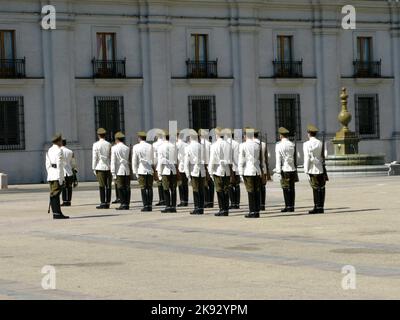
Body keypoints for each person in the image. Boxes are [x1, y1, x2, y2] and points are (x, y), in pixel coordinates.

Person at [238, 128, 265, 218]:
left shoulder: (243, 145)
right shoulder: (257, 145)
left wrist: (241, 173)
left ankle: (252, 211)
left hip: (248, 171)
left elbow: (241, 160)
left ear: (246, 136)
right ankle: (257, 211)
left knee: (250, 192)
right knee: (257, 191)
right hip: (257, 170)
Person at [303, 125, 327, 214]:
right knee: (322, 188)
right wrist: (319, 160)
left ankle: (316, 206)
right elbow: (325, 155)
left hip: (312, 169)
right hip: (320, 168)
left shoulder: (306, 144)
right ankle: (321, 207)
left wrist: (306, 170)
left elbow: (307, 158)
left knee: (315, 188)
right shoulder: (321, 143)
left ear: (309, 133)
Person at [208, 127, 231, 216]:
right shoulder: (228, 144)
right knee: (226, 190)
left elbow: (212, 160)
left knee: (219, 190)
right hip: (226, 170)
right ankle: (226, 209)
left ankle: (222, 209)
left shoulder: (214, 145)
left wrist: (210, 172)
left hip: (218, 170)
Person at [46, 133, 68, 219]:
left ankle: (56, 212)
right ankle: (57, 213)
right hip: (56, 174)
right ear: (58, 141)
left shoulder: (49, 150)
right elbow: (59, 165)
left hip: (51, 173)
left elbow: (47, 164)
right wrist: (61, 178)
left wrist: (49, 172)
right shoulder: (59, 150)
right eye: (61, 140)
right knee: (55, 194)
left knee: (53, 194)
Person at [275, 127, 297, 212]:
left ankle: (288, 206)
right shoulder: (291, 144)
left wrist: (278, 170)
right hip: (292, 168)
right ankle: (292, 206)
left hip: (284, 168)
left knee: (285, 187)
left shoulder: (279, 145)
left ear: (280, 135)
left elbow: (278, 159)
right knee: (292, 188)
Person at [184, 130, 206, 215]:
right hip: (201, 170)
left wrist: (187, 174)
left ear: (190, 137)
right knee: (201, 190)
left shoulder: (188, 147)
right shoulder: (201, 146)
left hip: (194, 170)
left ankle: (197, 208)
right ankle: (201, 208)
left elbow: (186, 162)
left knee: (195, 190)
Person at [157, 131, 178, 213]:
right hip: (173, 170)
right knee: (173, 189)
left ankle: (167, 206)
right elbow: (176, 159)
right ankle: (173, 206)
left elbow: (160, 160)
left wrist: (159, 173)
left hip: (165, 170)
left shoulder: (161, 147)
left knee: (166, 188)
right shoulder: (174, 146)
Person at [132, 131, 154, 212]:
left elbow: (134, 160)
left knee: (143, 188)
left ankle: (145, 205)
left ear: (139, 138)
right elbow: (153, 159)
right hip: (149, 169)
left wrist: (135, 171)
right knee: (150, 188)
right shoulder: (150, 146)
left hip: (141, 169)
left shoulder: (136, 147)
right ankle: (150, 205)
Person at [92, 128, 112, 209]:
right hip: (108, 166)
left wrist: (93, 167)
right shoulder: (109, 144)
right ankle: (107, 202)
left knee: (101, 185)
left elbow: (94, 157)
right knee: (108, 185)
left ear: (98, 135)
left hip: (100, 166)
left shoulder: (96, 144)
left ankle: (103, 202)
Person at [111, 132, 131, 210]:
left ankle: (123, 204)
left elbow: (113, 161)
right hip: (126, 170)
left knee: (120, 187)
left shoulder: (114, 148)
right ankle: (127, 203)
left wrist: (113, 172)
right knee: (127, 187)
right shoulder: (127, 148)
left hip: (119, 170)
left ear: (116, 139)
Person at [254, 129, 270, 211]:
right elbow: (267, 158)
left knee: (256, 187)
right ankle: (262, 204)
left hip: (256, 168)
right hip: (263, 168)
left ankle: (257, 204)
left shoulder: (252, 144)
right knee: (262, 187)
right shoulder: (263, 144)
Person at [225, 128, 241, 209]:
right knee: (237, 185)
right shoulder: (237, 143)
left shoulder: (226, 144)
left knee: (230, 185)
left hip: (230, 167)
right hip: (237, 166)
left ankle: (233, 203)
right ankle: (237, 203)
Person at [199, 129, 214, 208]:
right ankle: (211, 201)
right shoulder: (210, 144)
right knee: (211, 184)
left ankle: (206, 201)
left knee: (204, 184)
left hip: (203, 165)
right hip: (210, 164)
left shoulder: (200, 144)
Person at [60, 139, 77, 207]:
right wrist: (74, 171)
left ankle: (64, 201)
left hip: (62, 172)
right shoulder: (70, 151)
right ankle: (69, 201)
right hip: (69, 172)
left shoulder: (58, 151)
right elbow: (73, 163)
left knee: (63, 187)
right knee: (69, 187)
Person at [153, 132, 166, 206]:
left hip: (158, 164)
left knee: (159, 183)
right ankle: (165, 198)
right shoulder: (166, 143)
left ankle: (162, 199)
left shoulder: (155, 145)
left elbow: (154, 157)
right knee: (165, 182)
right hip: (167, 165)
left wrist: (154, 165)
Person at [176, 131, 189, 207]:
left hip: (180, 166)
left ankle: (182, 200)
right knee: (185, 184)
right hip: (186, 166)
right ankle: (186, 200)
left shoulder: (177, 145)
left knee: (180, 184)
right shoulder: (187, 144)